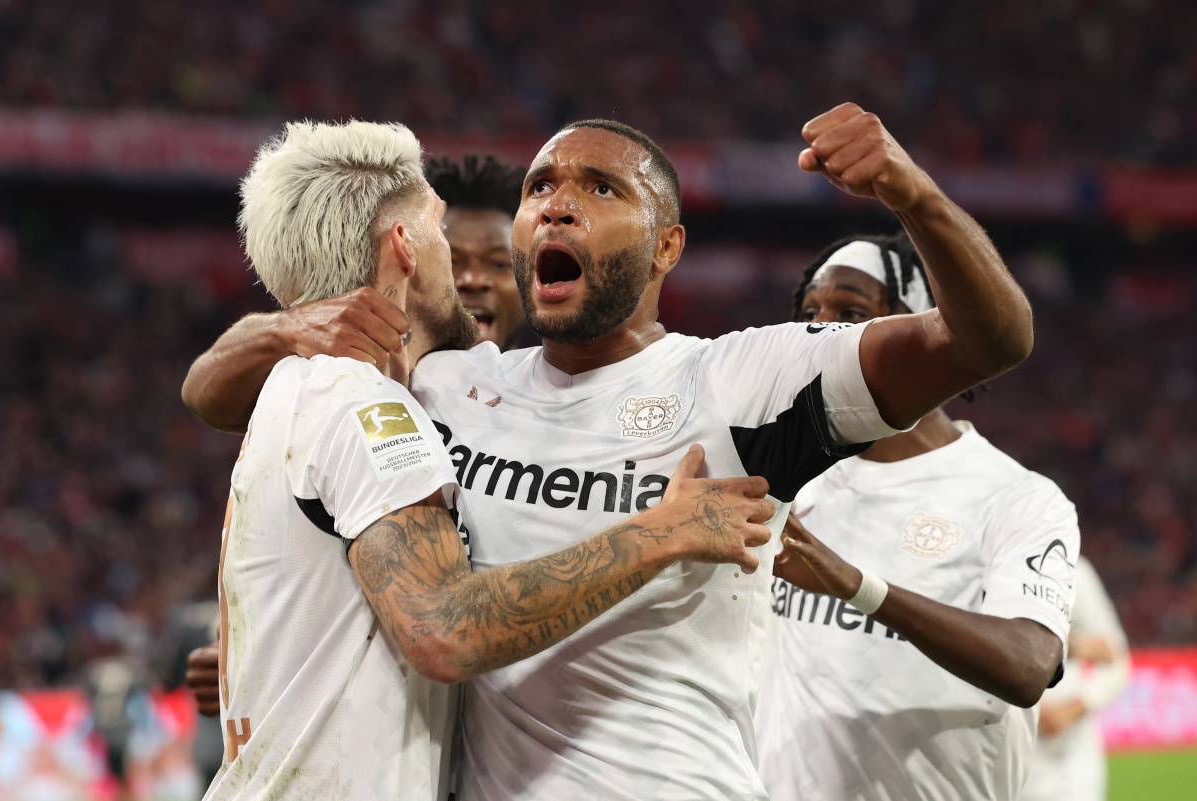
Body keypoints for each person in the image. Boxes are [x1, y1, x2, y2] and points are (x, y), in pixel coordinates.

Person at [182, 103, 1037, 800]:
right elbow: (214, 395)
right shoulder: (450, 385)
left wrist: (911, 194)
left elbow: (987, 340)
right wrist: (283, 326)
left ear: (667, 245)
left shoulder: (742, 380)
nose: (557, 201)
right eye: (540, 185)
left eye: (600, 187)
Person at [200, 120, 776, 800]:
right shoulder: (366, 408)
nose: (469, 268)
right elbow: (445, 630)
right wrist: (662, 530)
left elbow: (207, 390)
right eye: (443, 233)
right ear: (406, 245)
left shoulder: (291, 387)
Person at [183, 153, 533, 737]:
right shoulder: (357, 383)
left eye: (497, 262)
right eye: (453, 249)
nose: (471, 277)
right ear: (410, 250)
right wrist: (284, 328)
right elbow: (203, 390)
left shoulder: (535, 397)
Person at [755, 232, 1080, 801]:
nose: (821, 331)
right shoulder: (789, 480)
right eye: (810, 313)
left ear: (920, 328)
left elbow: (1029, 665)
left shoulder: (1015, 497)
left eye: (852, 312)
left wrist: (856, 586)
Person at [1022, 556, 1131, 801]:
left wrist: (1076, 706)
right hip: (1007, 752)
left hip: (1073, 766)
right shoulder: (982, 561)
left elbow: (1117, 661)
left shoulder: (1074, 569)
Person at [425, 155, 532, 351]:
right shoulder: (370, 378)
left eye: (499, 264)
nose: (473, 280)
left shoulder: (570, 380)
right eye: (450, 263)